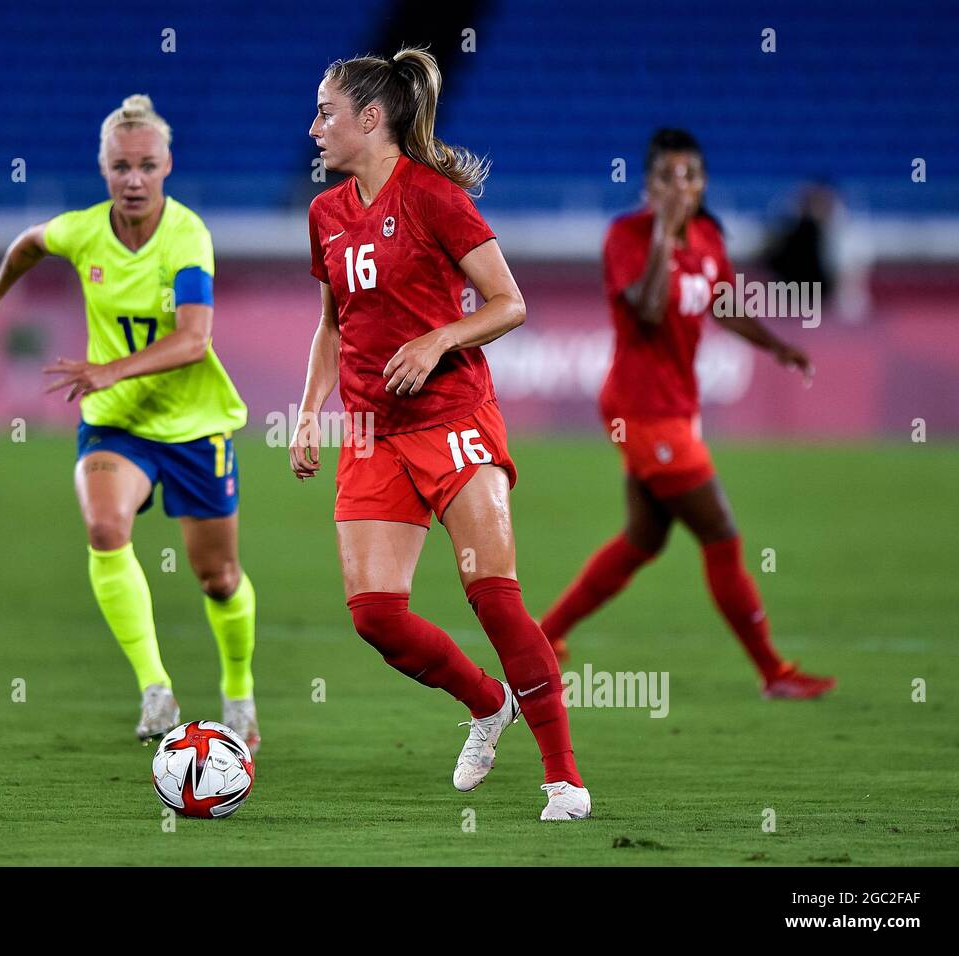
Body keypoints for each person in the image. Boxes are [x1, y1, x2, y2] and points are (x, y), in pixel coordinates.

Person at [291, 48, 589, 820]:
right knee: (375, 618)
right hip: (369, 428)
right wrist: (307, 410)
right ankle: (489, 704)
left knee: (493, 596)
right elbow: (333, 327)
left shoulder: (433, 199)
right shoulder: (325, 214)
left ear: (370, 118)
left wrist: (437, 340)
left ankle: (563, 778)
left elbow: (508, 302)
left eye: (325, 112)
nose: (313, 126)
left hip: (453, 417)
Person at [0, 95, 259, 751]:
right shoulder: (83, 231)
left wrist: (111, 369)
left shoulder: (187, 237)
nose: (133, 180)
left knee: (219, 577)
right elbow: (30, 244)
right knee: (103, 526)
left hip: (192, 426)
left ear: (167, 166)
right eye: (121, 166)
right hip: (115, 425)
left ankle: (238, 692)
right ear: (103, 168)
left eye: (146, 166)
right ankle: (156, 691)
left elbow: (193, 341)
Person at [539, 128, 837, 700]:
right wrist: (662, 239)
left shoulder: (706, 236)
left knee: (643, 540)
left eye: (692, 176)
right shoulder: (626, 237)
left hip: (675, 407)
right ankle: (774, 672)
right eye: (669, 177)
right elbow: (648, 312)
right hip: (641, 408)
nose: (683, 187)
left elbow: (723, 303)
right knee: (721, 535)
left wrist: (776, 345)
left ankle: (547, 633)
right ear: (648, 185)